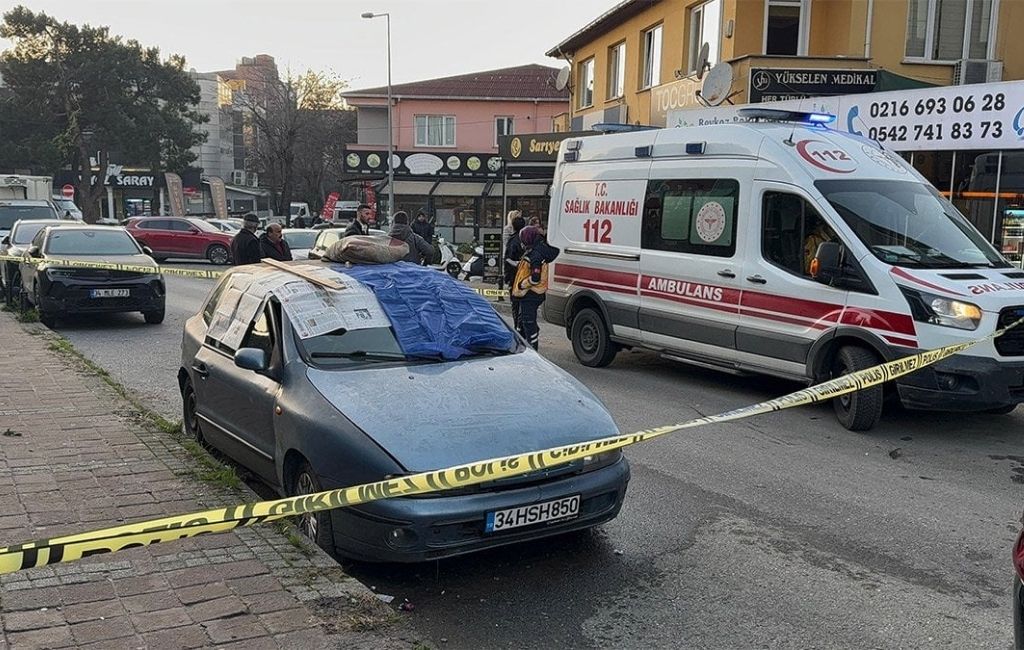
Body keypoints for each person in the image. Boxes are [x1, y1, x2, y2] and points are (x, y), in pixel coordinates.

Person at [512, 224, 560, 350]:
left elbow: (535, 277)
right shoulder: (537, 250)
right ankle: (520, 346)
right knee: (521, 321)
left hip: (531, 294)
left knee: (528, 322)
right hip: (530, 294)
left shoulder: (535, 255)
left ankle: (532, 349)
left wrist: (523, 284)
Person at [503, 214, 527, 331]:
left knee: (516, 304)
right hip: (527, 277)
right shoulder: (528, 239)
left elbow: (507, 259)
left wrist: (507, 278)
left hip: (515, 277)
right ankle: (523, 327)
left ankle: (517, 328)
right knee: (525, 304)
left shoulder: (513, 240)